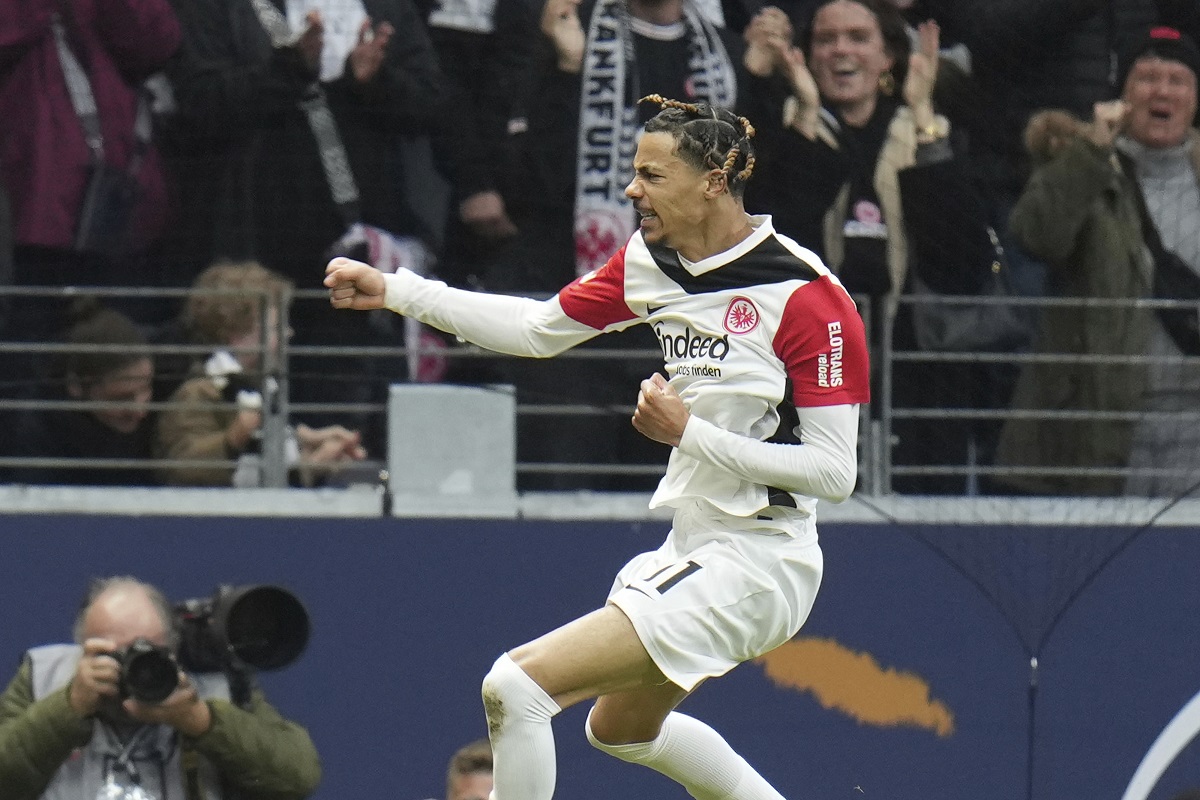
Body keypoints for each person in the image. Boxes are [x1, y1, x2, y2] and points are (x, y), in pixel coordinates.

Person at [326, 95, 868, 800]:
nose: (631, 190)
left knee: (515, 686)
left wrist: (689, 434)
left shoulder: (808, 300)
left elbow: (835, 474)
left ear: (713, 183)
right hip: (695, 543)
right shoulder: (652, 261)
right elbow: (535, 329)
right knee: (619, 730)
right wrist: (396, 290)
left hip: (763, 560)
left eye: (651, 174)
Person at [738, 0, 1002, 493]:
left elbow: (963, 264)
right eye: (826, 39)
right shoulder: (779, 130)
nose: (842, 50)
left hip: (910, 379)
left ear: (888, 57)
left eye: (858, 37)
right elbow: (769, 248)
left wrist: (925, 118)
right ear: (806, 55)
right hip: (800, 381)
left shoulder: (928, 131)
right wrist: (807, 121)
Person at [995, 25, 1200, 497]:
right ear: (1121, 94)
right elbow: (1037, 236)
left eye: (1178, 80)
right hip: (1104, 413)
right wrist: (1091, 149)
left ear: (1195, 97)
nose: (1162, 91)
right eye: (1147, 78)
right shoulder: (1084, 164)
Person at [0, 575, 321, 800]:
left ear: (173, 648)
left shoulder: (210, 690)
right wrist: (68, 709)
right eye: (114, 654)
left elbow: (297, 777)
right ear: (83, 649)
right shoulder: (46, 677)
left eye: (148, 652)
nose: (132, 669)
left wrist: (201, 721)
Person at [155, 260, 366, 487]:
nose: (288, 334)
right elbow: (183, 470)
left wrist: (312, 463)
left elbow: (264, 479)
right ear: (233, 333)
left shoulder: (260, 390)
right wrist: (236, 435)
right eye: (276, 327)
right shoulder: (198, 393)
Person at [9, 302, 159, 486]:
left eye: (147, 388)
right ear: (77, 387)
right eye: (121, 398)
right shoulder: (37, 432)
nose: (141, 410)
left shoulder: (170, 388)